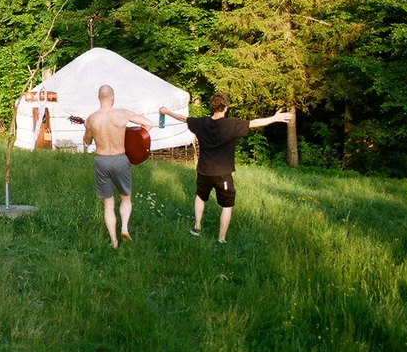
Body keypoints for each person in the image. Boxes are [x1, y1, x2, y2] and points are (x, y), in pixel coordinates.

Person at [160, 92, 292, 244]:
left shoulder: (201, 123)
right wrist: (275, 119)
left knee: (200, 197)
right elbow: (253, 123)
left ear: (212, 106)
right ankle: (221, 239)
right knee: (227, 205)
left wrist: (167, 112)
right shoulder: (232, 125)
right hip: (223, 174)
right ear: (226, 107)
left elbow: (184, 119)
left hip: (203, 171)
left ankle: (197, 227)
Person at [83, 85, 154, 248]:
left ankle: (114, 241)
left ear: (98, 98)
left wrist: (87, 129)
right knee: (125, 197)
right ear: (112, 97)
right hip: (120, 159)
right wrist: (132, 137)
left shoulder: (92, 119)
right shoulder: (123, 114)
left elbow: (87, 142)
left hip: (101, 160)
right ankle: (124, 227)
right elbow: (148, 124)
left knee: (108, 203)